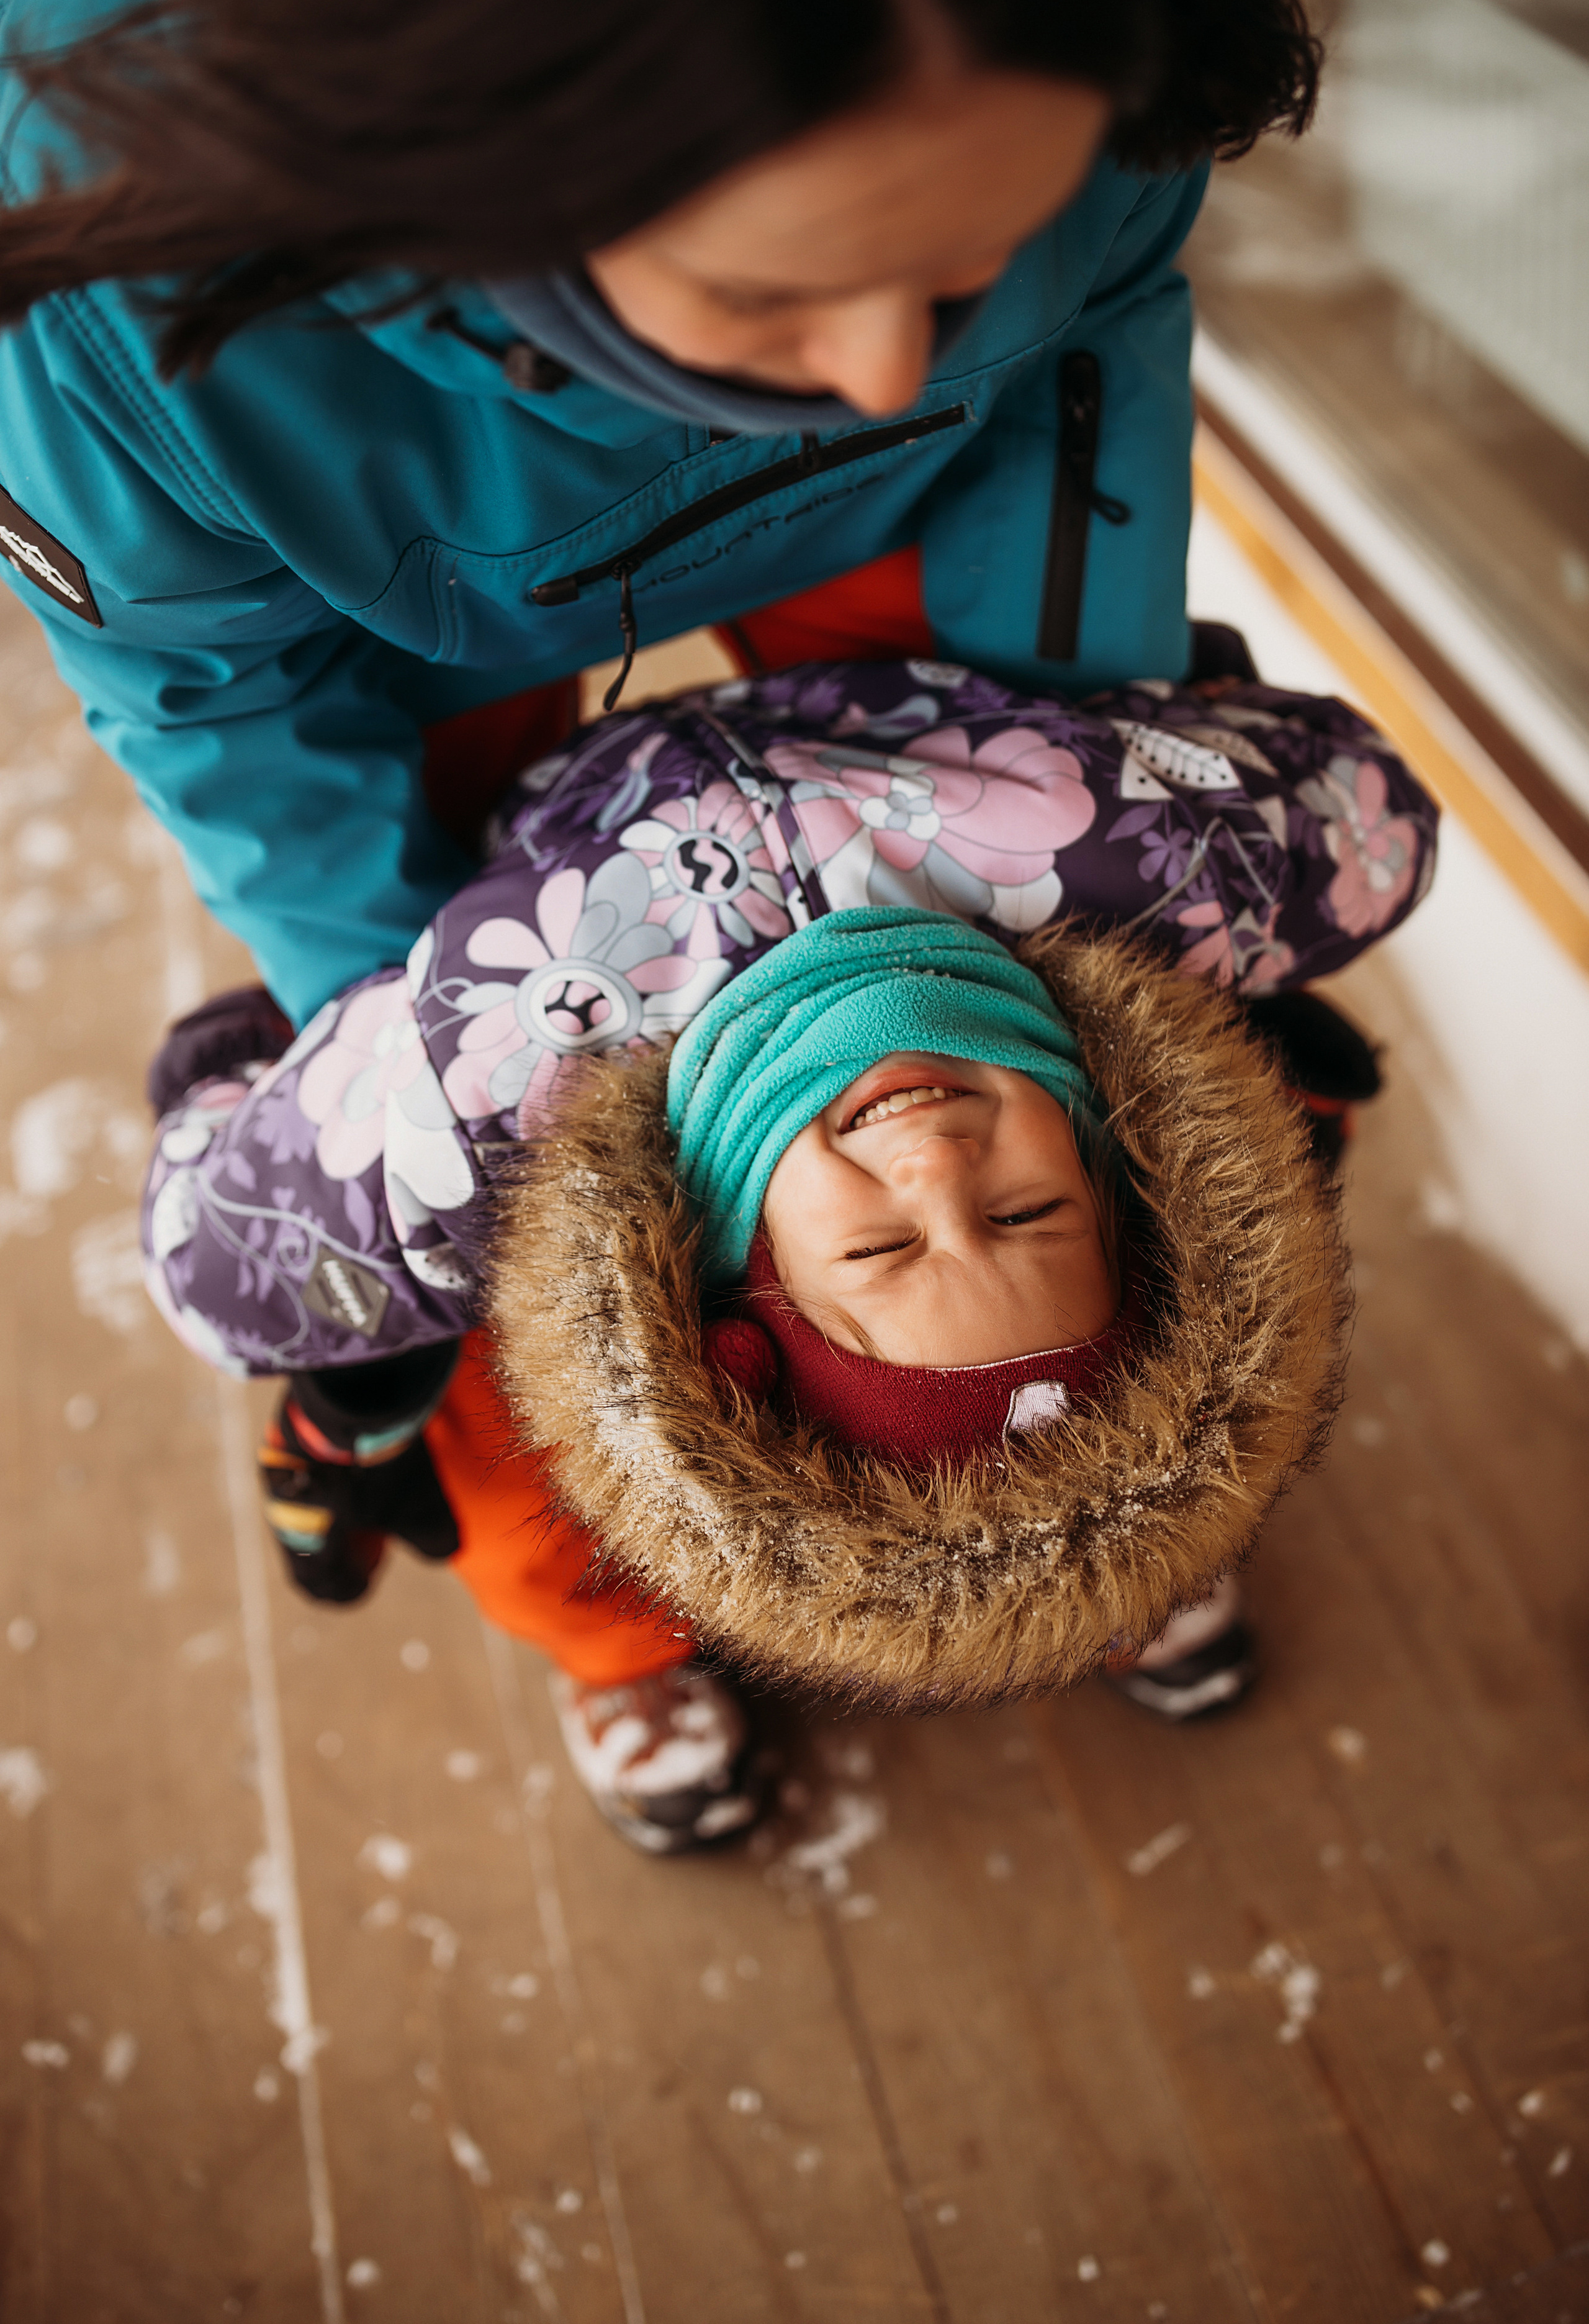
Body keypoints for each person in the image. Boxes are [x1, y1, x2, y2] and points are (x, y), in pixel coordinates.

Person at [141, 656, 1435, 1850]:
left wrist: (250, 1077)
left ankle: (620, 1645)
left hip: (535, 835)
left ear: (736, 1272)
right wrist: (1245, 1049)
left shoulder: (489, 1094)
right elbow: (1373, 822)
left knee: (535, 1398)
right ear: (1111, 1162)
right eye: (1027, 1215)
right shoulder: (1142, 888)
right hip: (883, 654)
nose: (933, 1167)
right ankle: (1102, 1567)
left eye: (878, 1247)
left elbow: (217, 1263)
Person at [0, 0, 1318, 1029]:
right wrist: (408, 1067)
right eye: (771, 291)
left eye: (966, 259)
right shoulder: (101, 290)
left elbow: (1084, 392)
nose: (884, 370)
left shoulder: (1121, 11)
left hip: (924, 500)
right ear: (494, 165)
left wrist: (1095, 808)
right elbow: (224, 698)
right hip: (400, 615)